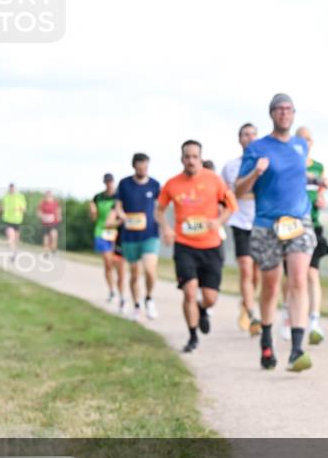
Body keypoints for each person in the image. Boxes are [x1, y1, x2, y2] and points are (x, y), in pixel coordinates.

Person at [236, 94, 316, 372]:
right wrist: (256, 173)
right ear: (271, 114)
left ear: (293, 114)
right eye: (279, 109)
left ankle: (296, 349)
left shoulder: (300, 146)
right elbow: (239, 190)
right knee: (270, 285)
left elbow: (296, 177)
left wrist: (319, 180)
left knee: (298, 280)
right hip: (267, 224)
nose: (284, 113)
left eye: (288, 109)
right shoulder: (257, 148)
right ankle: (267, 341)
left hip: (298, 221)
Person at [158, 140, 237, 353]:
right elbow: (159, 210)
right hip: (184, 245)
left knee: (210, 298)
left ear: (201, 158)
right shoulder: (172, 184)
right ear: (181, 159)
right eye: (187, 157)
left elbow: (231, 205)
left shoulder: (215, 180)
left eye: (195, 156)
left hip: (211, 245)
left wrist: (218, 222)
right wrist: (166, 228)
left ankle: (203, 309)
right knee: (190, 292)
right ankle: (192, 336)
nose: (191, 160)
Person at [221, 122, 263, 335]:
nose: (249, 138)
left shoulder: (264, 164)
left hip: (260, 223)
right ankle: (253, 314)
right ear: (239, 139)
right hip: (239, 222)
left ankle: (246, 304)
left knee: (256, 274)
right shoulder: (230, 167)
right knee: (245, 268)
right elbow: (224, 196)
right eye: (245, 135)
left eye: (253, 135)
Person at [115, 153, 162, 322]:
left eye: (146, 166)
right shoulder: (125, 184)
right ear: (134, 166)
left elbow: (161, 207)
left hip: (150, 234)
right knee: (135, 273)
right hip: (130, 236)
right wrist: (123, 216)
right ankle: (136, 305)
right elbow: (118, 206)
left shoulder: (155, 185)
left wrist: (163, 222)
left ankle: (149, 298)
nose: (143, 169)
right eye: (140, 166)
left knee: (150, 270)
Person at [297, 126, 328, 345]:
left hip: (314, 224)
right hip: (293, 226)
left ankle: (314, 321)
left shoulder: (318, 167)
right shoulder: (290, 165)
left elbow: (322, 192)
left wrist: (321, 200)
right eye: (301, 139)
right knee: (294, 277)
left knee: (311, 274)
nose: (306, 142)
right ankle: (289, 316)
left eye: (309, 139)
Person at [91, 174, 125, 310]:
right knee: (108, 262)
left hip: (117, 234)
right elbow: (94, 217)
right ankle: (112, 291)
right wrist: (92, 212)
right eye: (107, 182)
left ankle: (122, 294)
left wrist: (119, 222)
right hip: (101, 232)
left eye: (110, 181)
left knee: (119, 266)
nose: (109, 184)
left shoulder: (119, 197)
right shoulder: (98, 197)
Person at [0, 183, 27, 256]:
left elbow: (24, 209)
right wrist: (3, 208)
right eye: (10, 188)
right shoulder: (5, 197)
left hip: (17, 220)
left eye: (13, 188)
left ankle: (14, 249)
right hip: (8, 220)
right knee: (11, 236)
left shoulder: (20, 197)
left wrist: (18, 209)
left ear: (15, 189)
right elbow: (2, 207)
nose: (11, 189)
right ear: (9, 189)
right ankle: (13, 252)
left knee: (16, 239)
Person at [38, 191, 61, 256]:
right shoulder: (42, 203)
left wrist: (59, 216)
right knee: (46, 238)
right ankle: (46, 252)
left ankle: (53, 250)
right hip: (45, 223)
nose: (48, 197)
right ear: (45, 196)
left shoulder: (55, 203)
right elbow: (39, 212)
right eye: (47, 195)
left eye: (50, 195)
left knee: (54, 236)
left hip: (54, 223)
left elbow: (58, 210)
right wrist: (43, 217)